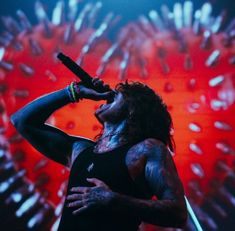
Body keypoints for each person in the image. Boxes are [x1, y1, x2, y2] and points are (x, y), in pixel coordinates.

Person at [11, 78, 187, 231]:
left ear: (133, 108)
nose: (107, 96)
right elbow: (22, 121)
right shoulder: (80, 149)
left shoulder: (146, 150)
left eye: (116, 94)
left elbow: (178, 213)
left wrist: (113, 200)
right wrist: (74, 92)